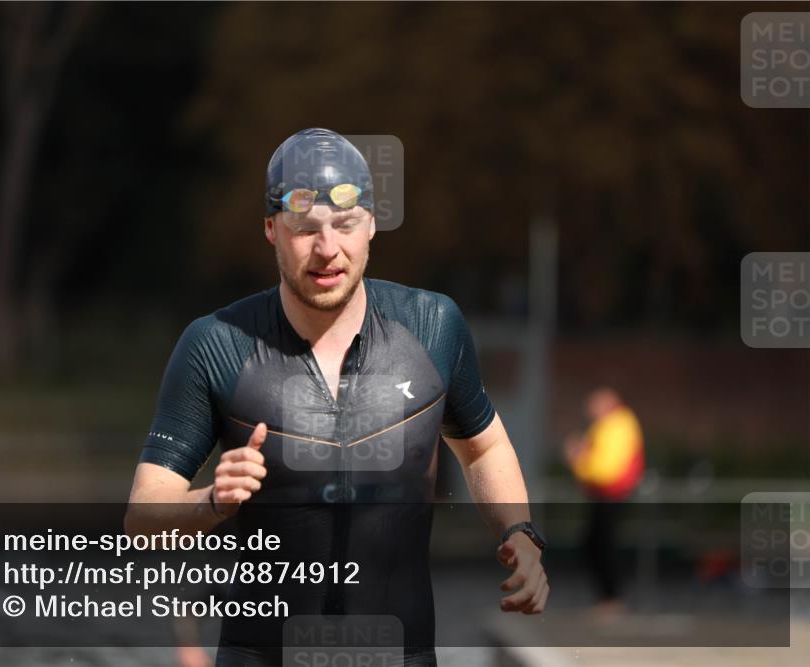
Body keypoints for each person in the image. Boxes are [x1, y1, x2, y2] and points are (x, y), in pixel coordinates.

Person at [125, 128, 549, 666]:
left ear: (371, 224)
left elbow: (484, 448)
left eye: (345, 225)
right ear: (272, 230)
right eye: (305, 229)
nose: (328, 250)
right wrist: (212, 500)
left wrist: (522, 534)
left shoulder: (432, 326)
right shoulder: (217, 344)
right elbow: (142, 519)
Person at [563, 387, 644, 618]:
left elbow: (605, 468)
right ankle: (607, 598)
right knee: (596, 545)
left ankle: (611, 598)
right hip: (604, 495)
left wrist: (576, 461)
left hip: (612, 494)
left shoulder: (616, 424)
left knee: (603, 546)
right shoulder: (611, 425)